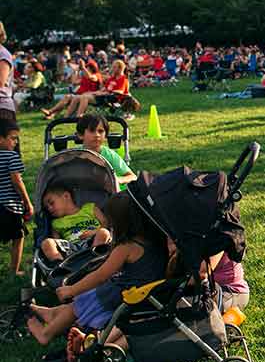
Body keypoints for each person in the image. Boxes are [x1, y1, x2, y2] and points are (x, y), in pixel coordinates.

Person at [26, 192, 167, 346]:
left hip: (123, 295)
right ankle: (52, 313)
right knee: (77, 304)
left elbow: (100, 276)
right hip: (149, 295)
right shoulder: (155, 240)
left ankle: (46, 333)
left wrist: (72, 290)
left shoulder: (126, 247)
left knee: (79, 304)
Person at [39, 182, 112, 263]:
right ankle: (59, 266)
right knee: (47, 243)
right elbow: (57, 241)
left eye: (51, 203)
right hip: (71, 248)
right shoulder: (56, 223)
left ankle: (93, 259)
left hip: (93, 241)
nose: (49, 208)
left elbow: (106, 224)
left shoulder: (90, 208)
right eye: (47, 207)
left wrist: (94, 232)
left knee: (104, 233)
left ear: (66, 196)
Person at [0, 118, 33, 275]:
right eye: (12, 138)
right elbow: (17, 181)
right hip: (9, 206)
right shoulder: (12, 157)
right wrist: (27, 202)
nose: (16, 142)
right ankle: (14, 270)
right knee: (18, 237)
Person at [76, 114, 136, 188]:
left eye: (100, 131)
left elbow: (133, 176)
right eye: (92, 130)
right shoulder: (74, 154)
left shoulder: (109, 155)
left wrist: (118, 180)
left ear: (105, 135)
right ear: (80, 135)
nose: (97, 135)